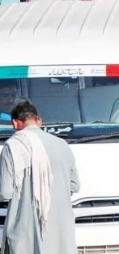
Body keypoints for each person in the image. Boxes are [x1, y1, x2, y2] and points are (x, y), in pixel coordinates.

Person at [0, 102, 80, 253]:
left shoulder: (12, 146)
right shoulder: (62, 144)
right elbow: (75, 185)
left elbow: (5, 193)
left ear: (15, 123)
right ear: (39, 120)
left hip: (26, 233)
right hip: (61, 230)